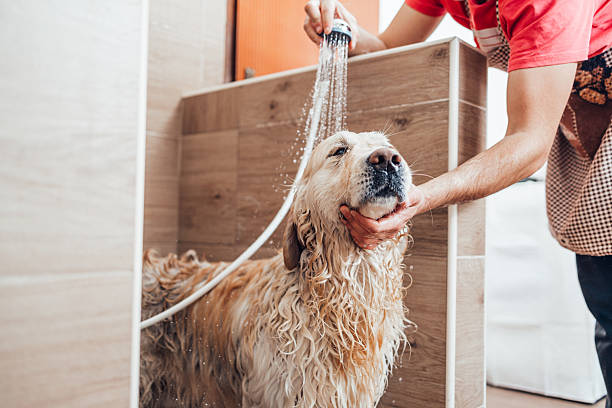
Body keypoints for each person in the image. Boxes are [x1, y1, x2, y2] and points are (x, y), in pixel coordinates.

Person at [304, 0, 612, 406]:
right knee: (605, 301)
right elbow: (389, 44)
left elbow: (529, 141)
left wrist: (421, 198)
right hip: (586, 136)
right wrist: (350, 34)